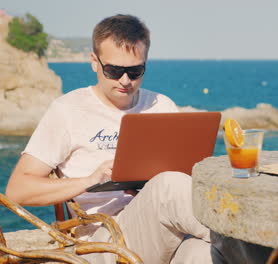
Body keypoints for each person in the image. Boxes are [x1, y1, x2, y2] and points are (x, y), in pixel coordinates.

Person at [6, 14, 212, 264]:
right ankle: (242, 237)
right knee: (168, 185)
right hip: (103, 239)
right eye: (114, 70)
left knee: (204, 254)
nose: (125, 81)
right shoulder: (68, 110)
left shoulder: (161, 105)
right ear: (94, 62)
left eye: (135, 71)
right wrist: (90, 180)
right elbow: (18, 190)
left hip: (165, 230)